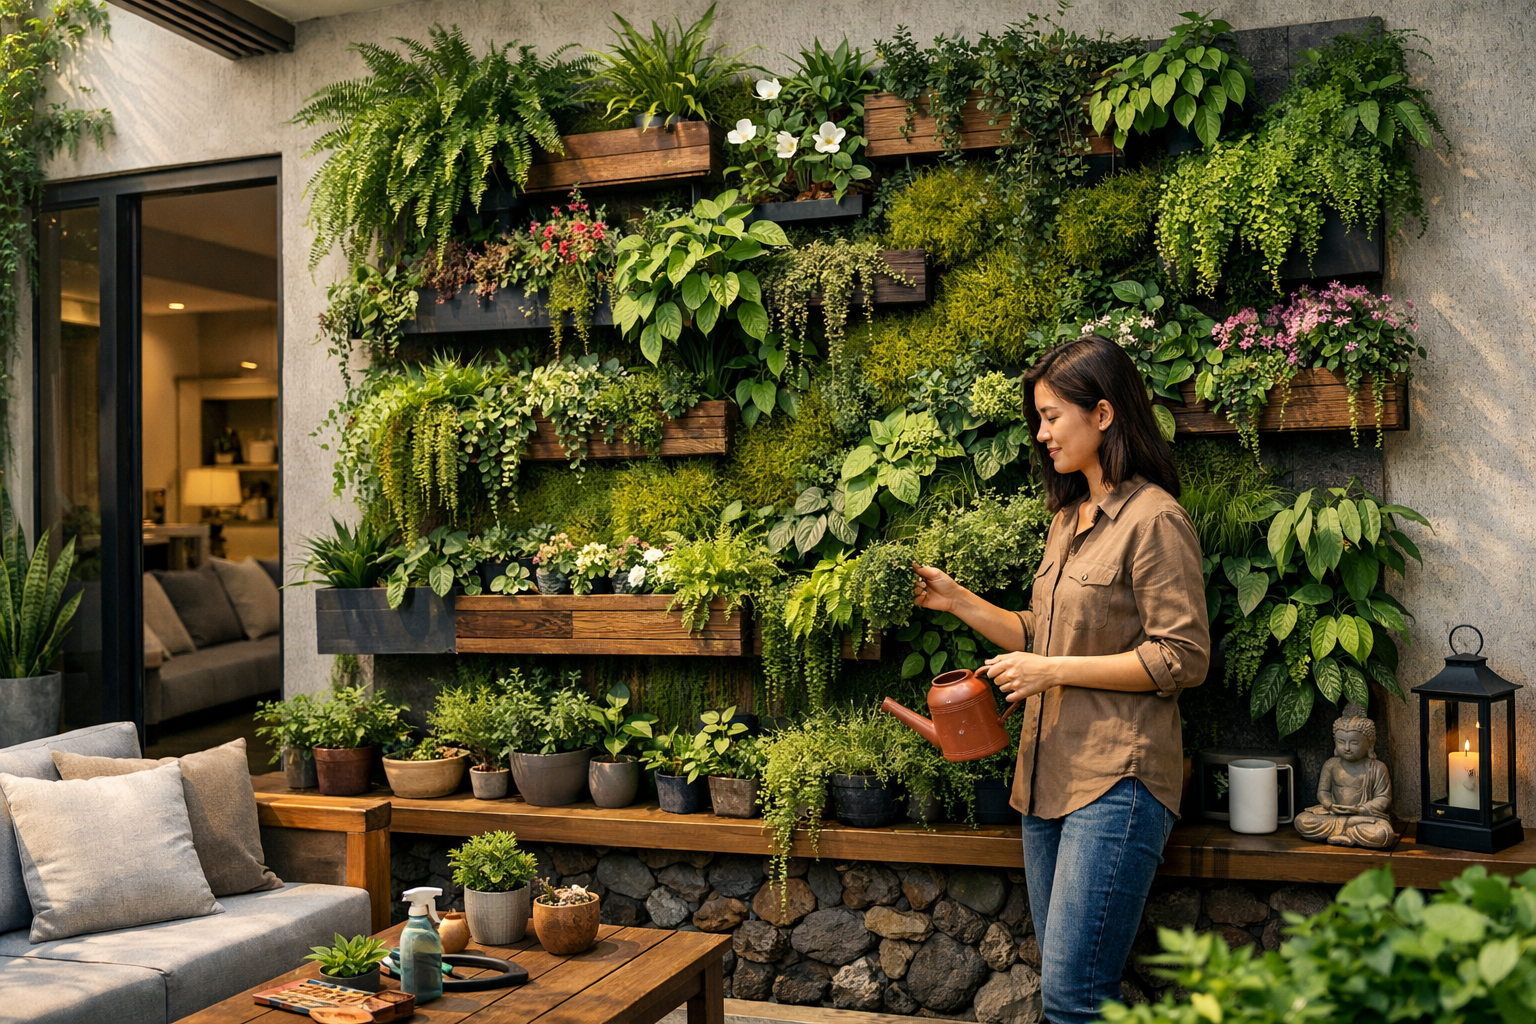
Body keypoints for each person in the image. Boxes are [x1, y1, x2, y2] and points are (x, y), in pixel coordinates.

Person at [913, 335, 1209, 1024]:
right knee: (1068, 993)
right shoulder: (1066, 520)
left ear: (1102, 413)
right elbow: (1042, 632)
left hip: (1118, 782)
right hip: (1046, 779)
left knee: (1075, 998)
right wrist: (958, 601)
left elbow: (1182, 656)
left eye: (1051, 417)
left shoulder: (1155, 519)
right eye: (1039, 420)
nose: (1042, 434)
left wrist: (1050, 672)